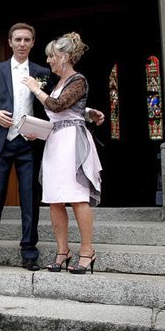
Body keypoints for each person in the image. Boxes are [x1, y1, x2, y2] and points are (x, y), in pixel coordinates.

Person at [0, 22, 104, 273]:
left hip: (30, 145)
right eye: (17, 39)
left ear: (32, 43)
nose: (22, 44)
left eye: (27, 40)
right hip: (1, 142)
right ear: (10, 42)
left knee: (31, 200)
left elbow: (62, 103)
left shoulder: (42, 72)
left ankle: (29, 254)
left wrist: (86, 112)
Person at [22, 32, 102, 274]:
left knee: (77, 197)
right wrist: (35, 129)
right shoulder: (56, 83)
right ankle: (62, 251)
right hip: (54, 141)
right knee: (55, 200)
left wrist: (36, 89)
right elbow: (62, 111)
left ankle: (87, 251)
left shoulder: (79, 80)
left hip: (72, 143)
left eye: (52, 56)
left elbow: (58, 105)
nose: (48, 61)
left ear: (65, 57)